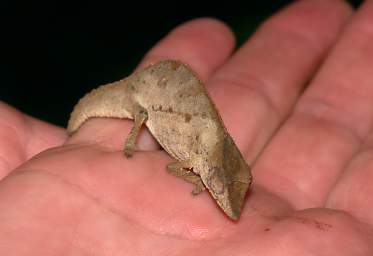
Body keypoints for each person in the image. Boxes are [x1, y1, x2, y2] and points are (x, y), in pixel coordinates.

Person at [1, 0, 372, 254]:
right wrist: (136, 138)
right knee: (135, 113)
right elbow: (170, 159)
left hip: (165, 98)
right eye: (223, 187)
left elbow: (180, 163)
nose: (230, 202)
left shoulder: (209, 152)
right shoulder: (200, 154)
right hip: (140, 95)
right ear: (213, 171)